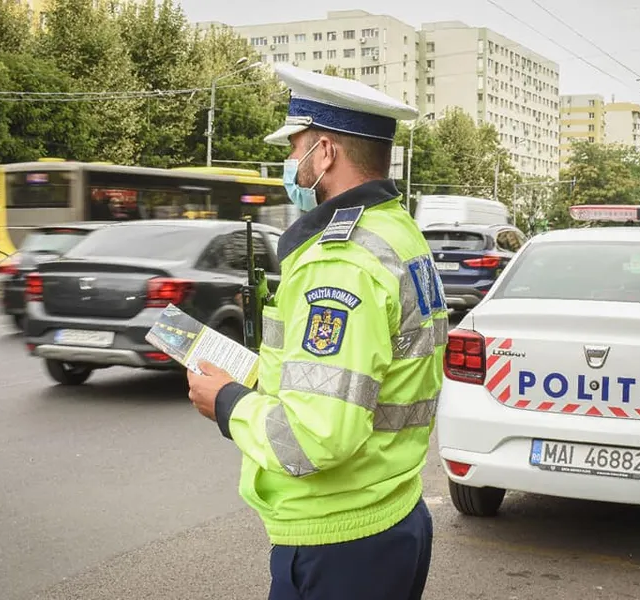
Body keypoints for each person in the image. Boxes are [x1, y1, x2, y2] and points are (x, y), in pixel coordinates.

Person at [186, 63, 448, 600]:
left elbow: (317, 435)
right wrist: (262, 377)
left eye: (295, 147)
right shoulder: (396, 230)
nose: (289, 163)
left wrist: (228, 401)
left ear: (324, 152)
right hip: (391, 513)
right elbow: (360, 376)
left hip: (341, 537)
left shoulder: (339, 261)